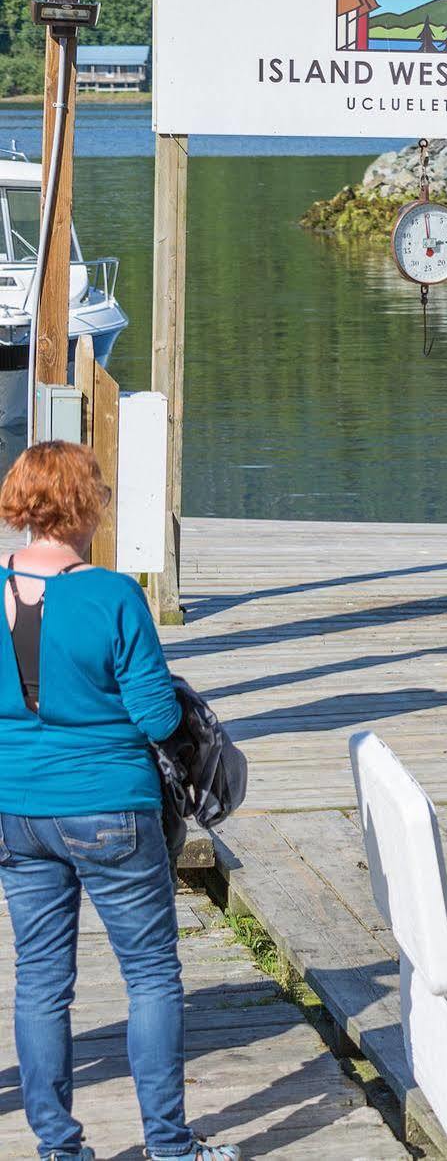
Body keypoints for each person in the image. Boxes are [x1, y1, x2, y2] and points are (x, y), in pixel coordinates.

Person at [0, 442, 239, 1161]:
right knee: (152, 977)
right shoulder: (113, 595)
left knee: (41, 983)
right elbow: (156, 718)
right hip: (111, 808)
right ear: (84, 505)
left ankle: (59, 1150)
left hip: (17, 812)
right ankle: (169, 1147)